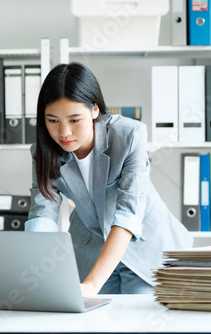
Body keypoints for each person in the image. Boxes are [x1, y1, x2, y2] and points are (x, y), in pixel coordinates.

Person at [25, 62, 193, 297]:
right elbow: (42, 214)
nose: (64, 132)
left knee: (139, 324)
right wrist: (35, 272)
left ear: (95, 110)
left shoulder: (129, 135)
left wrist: (92, 285)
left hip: (145, 248)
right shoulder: (43, 152)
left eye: (74, 120)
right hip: (91, 249)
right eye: (53, 120)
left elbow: (128, 215)